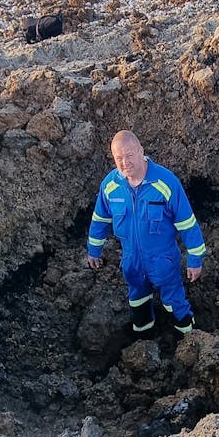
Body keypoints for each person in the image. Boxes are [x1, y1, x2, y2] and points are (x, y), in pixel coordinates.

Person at [87, 130, 206, 336]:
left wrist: (195, 259)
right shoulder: (110, 186)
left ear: (141, 151)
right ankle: (144, 341)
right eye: (119, 158)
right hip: (131, 261)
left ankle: (191, 340)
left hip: (163, 261)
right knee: (138, 302)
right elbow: (100, 219)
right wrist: (94, 250)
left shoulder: (165, 183)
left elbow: (187, 223)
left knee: (174, 303)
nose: (125, 162)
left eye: (130, 155)